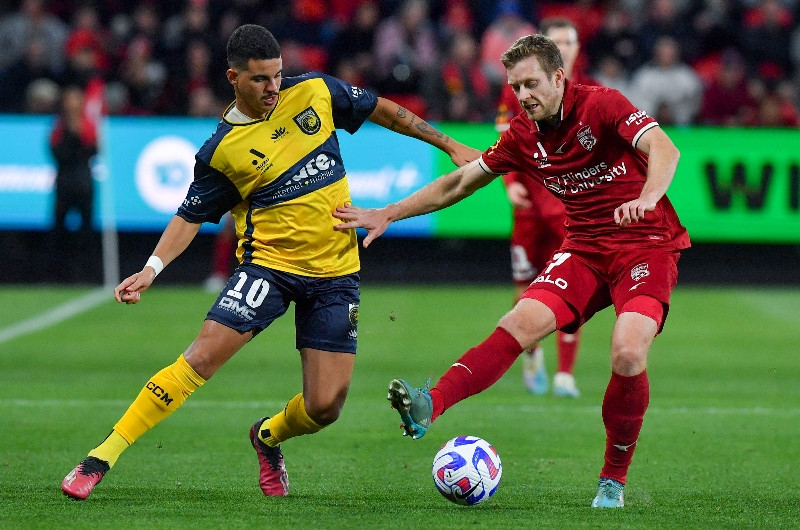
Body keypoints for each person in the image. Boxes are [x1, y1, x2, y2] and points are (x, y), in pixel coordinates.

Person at [61, 24, 480, 501]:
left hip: (336, 273)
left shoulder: (316, 92)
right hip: (268, 270)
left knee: (325, 407)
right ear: (233, 78)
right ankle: (100, 457)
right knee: (200, 358)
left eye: (278, 76)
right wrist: (151, 269)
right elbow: (189, 216)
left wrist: (448, 145)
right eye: (260, 79)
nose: (273, 88)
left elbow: (381, 109)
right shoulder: (222, 151)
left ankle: (267, 436)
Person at [334, 33, 690, 508]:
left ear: (558, 77)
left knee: (627, 352)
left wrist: (647, 197)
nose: (524, 96)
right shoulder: (523, 135)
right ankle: (429, 404)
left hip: (646, 245)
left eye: (531, 85)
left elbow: (666, 150)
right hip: (584, 248)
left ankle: (613, 478)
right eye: (516, 87)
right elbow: (459, 182)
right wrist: (389, 212)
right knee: (517, 324)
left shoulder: (602, 104)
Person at [495, 17, 598, 397]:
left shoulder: (591, 91)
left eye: (569, 42)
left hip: (572, 211)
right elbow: (505, 139)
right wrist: (511, 184)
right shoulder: (517, 92)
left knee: (574, 287)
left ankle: (565, 374)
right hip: (529, 208)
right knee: (525, 287)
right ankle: (532, 351)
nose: (564, 48)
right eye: (556, 42)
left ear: (576, 48)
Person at [49, 85, 98, 282]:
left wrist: (78, 133)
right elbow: (55, 151)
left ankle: (85, 274)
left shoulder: (87, 125)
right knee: (59, 230)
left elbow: (93, 149)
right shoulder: (59, 127)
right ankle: (57, 274)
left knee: (86, 231)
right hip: (64, 182)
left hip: (83, 183)